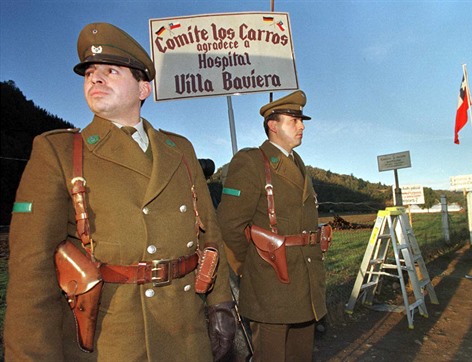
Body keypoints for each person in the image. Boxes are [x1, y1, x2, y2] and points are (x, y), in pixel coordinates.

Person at [4, 22, 236, 361]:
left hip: (187, 334)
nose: (95, 78)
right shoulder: (60, 152)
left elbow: (209, 234)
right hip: (113, 341)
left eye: (111, 71)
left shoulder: (179, 149)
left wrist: (221, 305)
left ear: (143, 89)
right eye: (90, 73)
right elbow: (31, 274)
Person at [217, 90, 329, 362]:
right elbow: (229, 224)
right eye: (294, 120)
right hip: (271, 282)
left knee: (301, 356)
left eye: (301, 121)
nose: (302, 126)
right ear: (273, 125)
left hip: (305, 282)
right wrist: (252, 267)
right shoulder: (252, 161)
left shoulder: (297, 163)